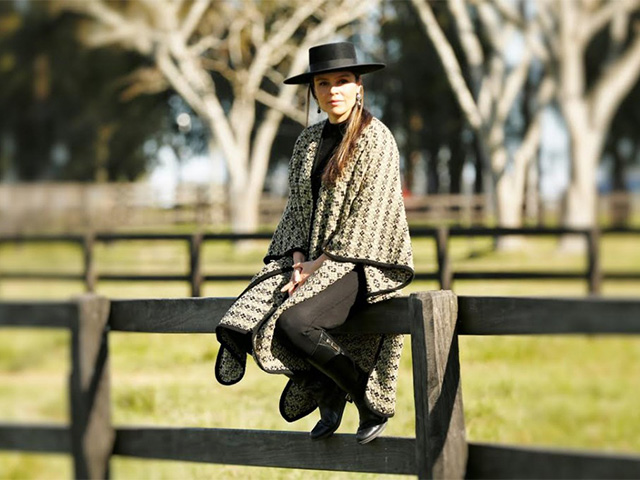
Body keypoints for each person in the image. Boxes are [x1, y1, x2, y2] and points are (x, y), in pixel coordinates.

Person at [214, 41, 414, 445]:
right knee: (241, 322)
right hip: (312, 260)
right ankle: (328, 387)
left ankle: (367, 397)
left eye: (343, 81)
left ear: (359, 87)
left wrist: (319, 265)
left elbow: (369, 217)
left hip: (364, 262)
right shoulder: (306, 143)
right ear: (314, 91)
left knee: (295, 322)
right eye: (324, 83)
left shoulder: (377, 139)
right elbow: (296, 211)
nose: (333, 90)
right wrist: (297, 259)